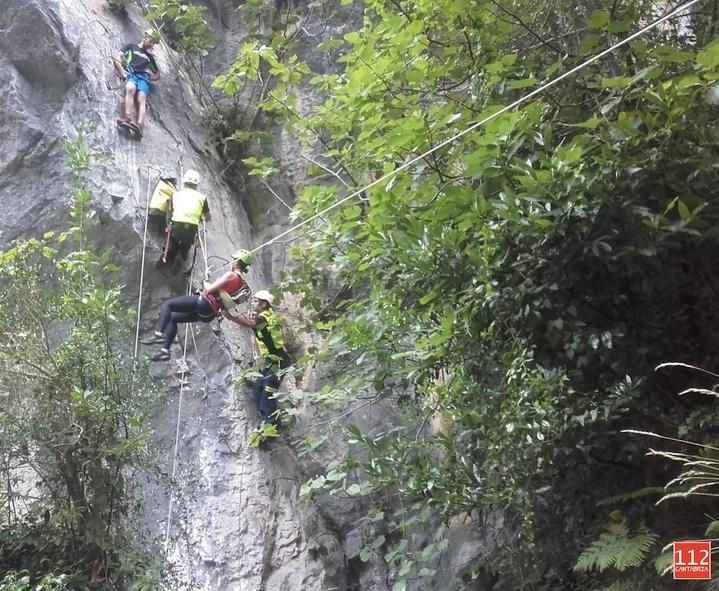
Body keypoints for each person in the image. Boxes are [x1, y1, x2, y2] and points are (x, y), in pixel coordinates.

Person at [141, 250, 253, 360]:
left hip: (205, 303)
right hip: (209, 314)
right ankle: (165, 351)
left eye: (233, 260)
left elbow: (209, 289)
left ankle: (159, 333)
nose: (231, 262)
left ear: (236, 261)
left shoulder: (231, 275)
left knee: (168, 305)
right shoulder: (241, 284)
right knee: (174, 318)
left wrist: (204, 281)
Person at [223, 290, 291, 427]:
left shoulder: (265, 317)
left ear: (264, 304)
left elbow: (250, 324)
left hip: (279, 359)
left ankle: (269, 425)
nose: (252, 303)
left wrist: (230, 317)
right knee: (258, 388)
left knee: (268, 388)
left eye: (255, 301)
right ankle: (268, 419)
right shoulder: (262, 317)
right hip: (271, 359)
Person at [158, 169, 210, 275]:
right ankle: (180, 258)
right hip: (191, 228)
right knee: (185, 246)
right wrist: (200, 218)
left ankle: (167, 256)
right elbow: (208, 217)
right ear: (196, 185)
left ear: (184, 182)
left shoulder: (176, 195)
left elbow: (172, 210)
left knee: (173, 241)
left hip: (176, 224)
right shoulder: (202, 198)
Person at [113, 29, 161, 137]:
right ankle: (127, 116)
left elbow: (158, 74)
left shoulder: (149, 58)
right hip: (132, 74)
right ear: (145, 37)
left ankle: (139, 125)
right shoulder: (131, 47)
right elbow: (117, 57)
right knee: (130, 88)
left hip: (143, 78)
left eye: (154, 43)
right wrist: (122, 72)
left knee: (141, 98)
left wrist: (149, 78)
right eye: (151, 41)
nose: (152, 44)